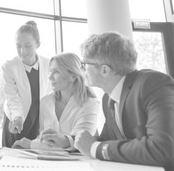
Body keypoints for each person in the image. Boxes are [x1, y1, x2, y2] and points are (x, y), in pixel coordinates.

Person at [74, 32, 174, 170]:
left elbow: (162, 149)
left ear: (104, 70)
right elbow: (107, 140)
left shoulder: (152, 84)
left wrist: (95, 148)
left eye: (84, 63)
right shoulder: (107, 99)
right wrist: (69, 141)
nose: (81, 68)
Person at [12, 52, 99, 150]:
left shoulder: (90, 104)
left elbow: (79, 143)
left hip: (78, 164)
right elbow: (42, 139)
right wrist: (37, 143)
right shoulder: (45, 102)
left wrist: (31, 144)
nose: (50, 77)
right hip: (48, 162)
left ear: (73, 76)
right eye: (50, 71)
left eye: (56, 72)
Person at [1, 21, 52, 147]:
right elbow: (12, 97)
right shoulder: (9, 66)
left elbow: (52, 95)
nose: (22, 51)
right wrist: (17, 117)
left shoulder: (49, 64)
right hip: (16, 119)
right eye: (18, 46)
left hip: (37, 122)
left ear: (38, 44)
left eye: (28, 46)